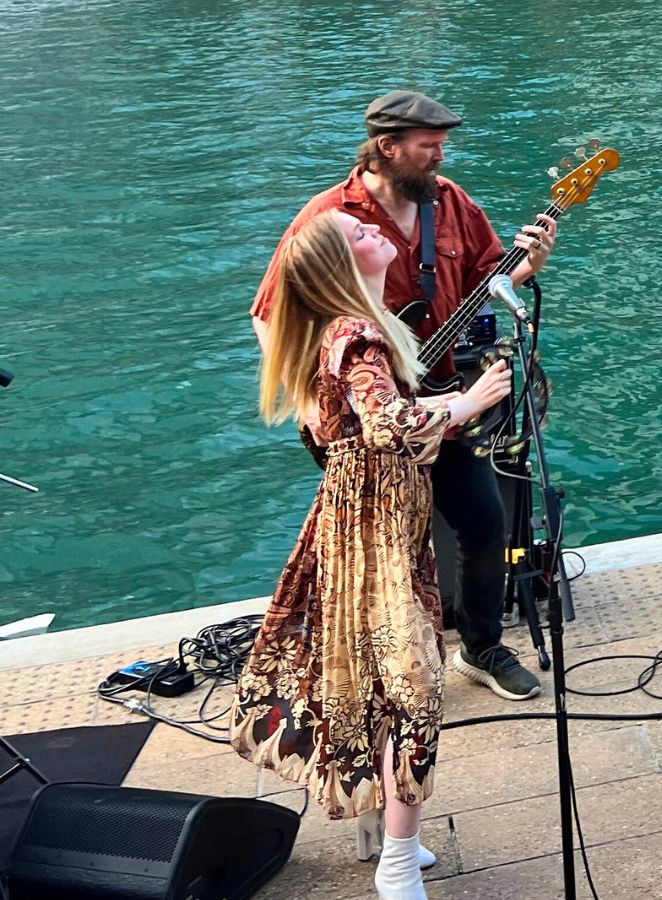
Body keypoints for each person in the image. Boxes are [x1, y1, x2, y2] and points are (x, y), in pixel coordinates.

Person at [233, 210, 512, 899]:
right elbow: (390, 426)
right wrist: (468, 401)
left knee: (371, 683)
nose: (372, 230)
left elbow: (345, 430)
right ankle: (397, 861)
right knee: (412, 690)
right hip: (378, 535)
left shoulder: (335, 332)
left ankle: (377, 831)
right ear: (343, 265)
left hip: (357, 523)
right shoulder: (358, 336)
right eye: (357, 234)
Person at [251, 90, 550, 701]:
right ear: (387, 148)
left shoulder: (450, 201)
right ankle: (374, 670)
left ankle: (481, 647)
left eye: (442, 145)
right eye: (428, 146)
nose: (441, 156)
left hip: (439, 401)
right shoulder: (332, 218)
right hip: (373, 420)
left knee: (485, 522)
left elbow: (488, 281)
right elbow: (270, 314)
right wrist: (307, 399)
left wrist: (530, 266)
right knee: (382, 550)